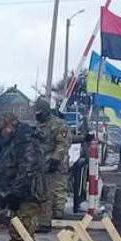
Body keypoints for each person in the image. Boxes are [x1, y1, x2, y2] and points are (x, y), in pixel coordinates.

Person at [0, 112, 46, 241]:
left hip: (27, 194)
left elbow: (28, 170)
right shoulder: (15, 141)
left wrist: (15, 194)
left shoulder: (26, 141)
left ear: (10, 126)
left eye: (3, 129)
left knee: (22, 230)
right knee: (19, 230)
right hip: (19, 193)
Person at [33, 97, 70, 228]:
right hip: (41, 163)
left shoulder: (59, 124)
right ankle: (45, 216)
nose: (38, 116)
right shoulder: (38, 125)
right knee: (43, 191)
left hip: (57, 163)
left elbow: (63, 143)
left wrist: (56, 159)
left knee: (58, 187)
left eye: (40, 114)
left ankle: (58, 211)